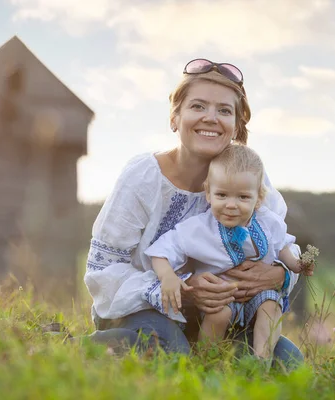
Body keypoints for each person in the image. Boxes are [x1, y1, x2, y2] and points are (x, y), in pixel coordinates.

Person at [83, 59, 303, 366]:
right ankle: (68, 348)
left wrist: (278, 272)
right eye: (198, 106)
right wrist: (181, 291)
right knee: (172, 355)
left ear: (237, 126)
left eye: (224, 110)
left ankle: (209, 358)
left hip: (222, 315)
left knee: (287, 361)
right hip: (139, 311)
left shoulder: (249, 176)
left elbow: (281, 243)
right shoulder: (143, 177)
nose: (211, 118)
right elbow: (104, 272)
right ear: (175, 118)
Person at [145, 144, 315, 359]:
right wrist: (167, 276)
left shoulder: (267, 221)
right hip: (219, 297)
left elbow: (282, 246)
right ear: (208, 193)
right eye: (222, 195)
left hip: (257, 295)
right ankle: (207, 359)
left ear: (259, 198)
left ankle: (262, 359)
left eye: (243, 197)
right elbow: (161, 251)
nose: (231, 205)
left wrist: (296, 265)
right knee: (219, 313)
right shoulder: (198, 228)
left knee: (270, 306)